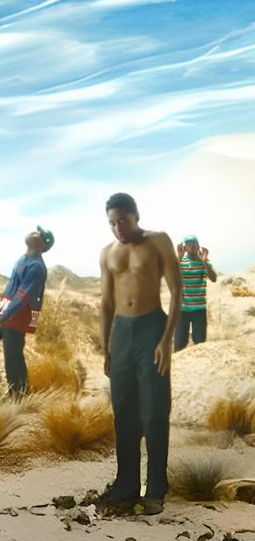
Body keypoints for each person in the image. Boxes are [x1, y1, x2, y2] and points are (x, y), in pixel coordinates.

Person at [99, 192, 182, 516]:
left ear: (135, 216)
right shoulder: (108, 253)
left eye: (123, 220)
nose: (118, 227)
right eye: (112, 223)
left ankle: (157, 488)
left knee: (154, 411)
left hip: (151, 328)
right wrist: (105, 345)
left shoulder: (158, 241)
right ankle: (126, 483)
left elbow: (177, 290)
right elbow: (106, 303)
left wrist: (166, 340)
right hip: (122, 333)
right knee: (124, 412)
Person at [0, 226, 54, 394]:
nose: (34, 232)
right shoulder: (24, 258)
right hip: (5, 307)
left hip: (18, 313)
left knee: (13, 356)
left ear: (43, 245)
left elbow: (23, 297)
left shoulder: (37, 267)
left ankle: (19, 396)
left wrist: (2, 320)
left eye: (39, 234)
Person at [174, 235, 216, 351]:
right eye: (188, 244)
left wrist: (205, 262)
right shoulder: (180, 261)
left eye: (194, 244)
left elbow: (213, 278)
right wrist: (179, 258)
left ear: (198, 246)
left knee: (200, 344)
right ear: (185, 247)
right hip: (182, 310)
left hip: (199, 309)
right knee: (179, 344)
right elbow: (172, 278)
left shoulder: (204, 261)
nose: (191, 247)